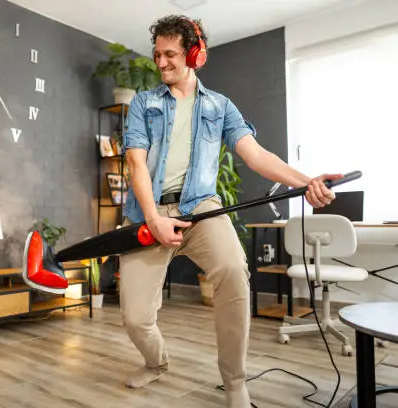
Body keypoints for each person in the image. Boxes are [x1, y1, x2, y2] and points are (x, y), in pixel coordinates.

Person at [119, 15, 340, 408]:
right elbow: (136, 163)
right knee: (136, 317)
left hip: (201, 207)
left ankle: (235, 381)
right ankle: (156, 363)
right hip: (150, 211)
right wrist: (153, 218)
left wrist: (306, 182)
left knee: (234, 271)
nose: (161, 62)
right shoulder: (143, 103)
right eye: (157, 55)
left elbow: (256, 155)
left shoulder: (219, 107)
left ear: (194, 54)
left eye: (170, 54)